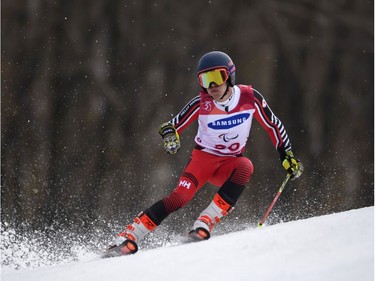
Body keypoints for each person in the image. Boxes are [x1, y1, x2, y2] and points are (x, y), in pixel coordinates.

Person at [106, 51, 303, 255]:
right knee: (179, 198)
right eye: (205, 80)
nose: (212, 86)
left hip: (229, 164)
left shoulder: (249, 97)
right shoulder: (202, 102)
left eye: (217, 77)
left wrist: (286, 155)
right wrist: (171, 137)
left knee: (246, 166)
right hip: (203, 161)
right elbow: (170, 126)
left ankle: (205, 221)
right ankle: (129, 235)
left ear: (230, 76)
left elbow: (273, 125)